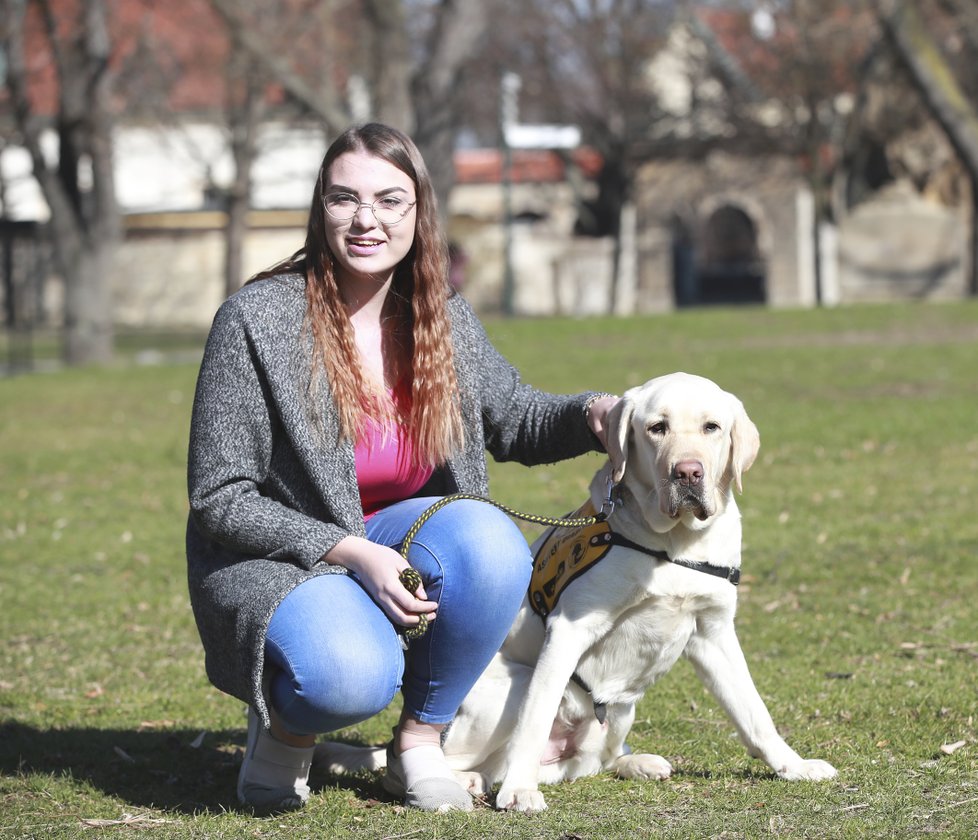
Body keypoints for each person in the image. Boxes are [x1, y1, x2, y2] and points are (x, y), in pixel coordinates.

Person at [186, 122, 619, 814]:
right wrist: (353, 552)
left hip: (400, 539)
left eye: (390, 201)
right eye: (343, 199)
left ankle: (421, 742)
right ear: (319, 208)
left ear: (419, 213)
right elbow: (220, 498)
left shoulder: (439, 315)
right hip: (284, 555)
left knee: (488, 540)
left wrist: (594, 413)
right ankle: (288, 732)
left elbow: (513, 416)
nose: (366, 220)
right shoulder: (254, 320)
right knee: (349, 676)